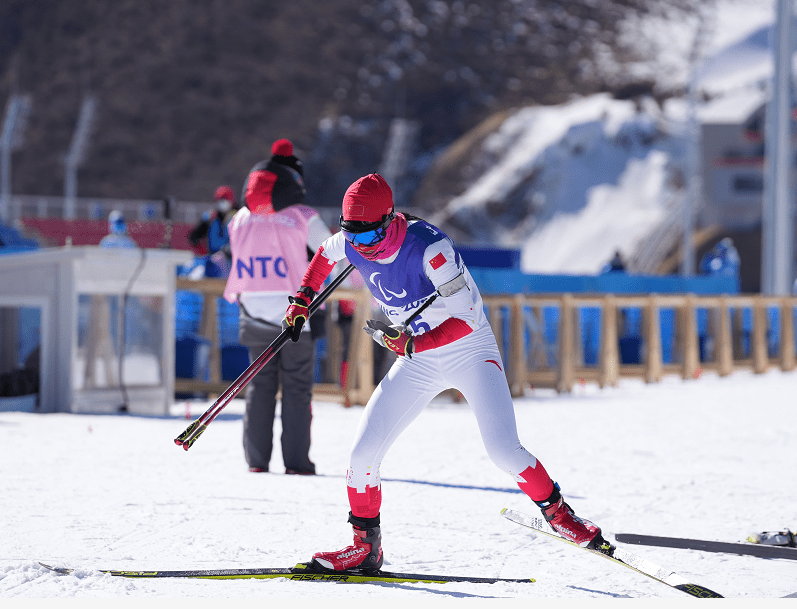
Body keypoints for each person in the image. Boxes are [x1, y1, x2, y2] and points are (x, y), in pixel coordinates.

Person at [283, 173, 609, 573]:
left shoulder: (430, 247)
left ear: (388, 220)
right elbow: (323, 257)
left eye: (368, 237)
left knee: (503, 451)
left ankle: (561, 516)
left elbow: (467, 319)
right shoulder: (353, 239)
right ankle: (366, 547)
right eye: (352, 236)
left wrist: (413, 344)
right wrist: (301, 299)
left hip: (468, 351)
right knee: (362, 456)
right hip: (417, 360)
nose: (360, 246)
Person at [223, 138, 332, 475]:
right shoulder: (303, 216)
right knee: (297, 387)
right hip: (295, 309)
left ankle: (257, 461)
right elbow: (334, 253)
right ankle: (297, 462)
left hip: (251, 305)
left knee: (259, 385)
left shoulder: (238, 219)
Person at [188, 186, 238, 277]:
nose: (223, 203)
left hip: (232, 259)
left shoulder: (238, 217)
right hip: (212, 259)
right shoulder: (210, 217)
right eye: (220, 200)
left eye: (225, 199)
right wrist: (201, 249)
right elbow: (193, 236)